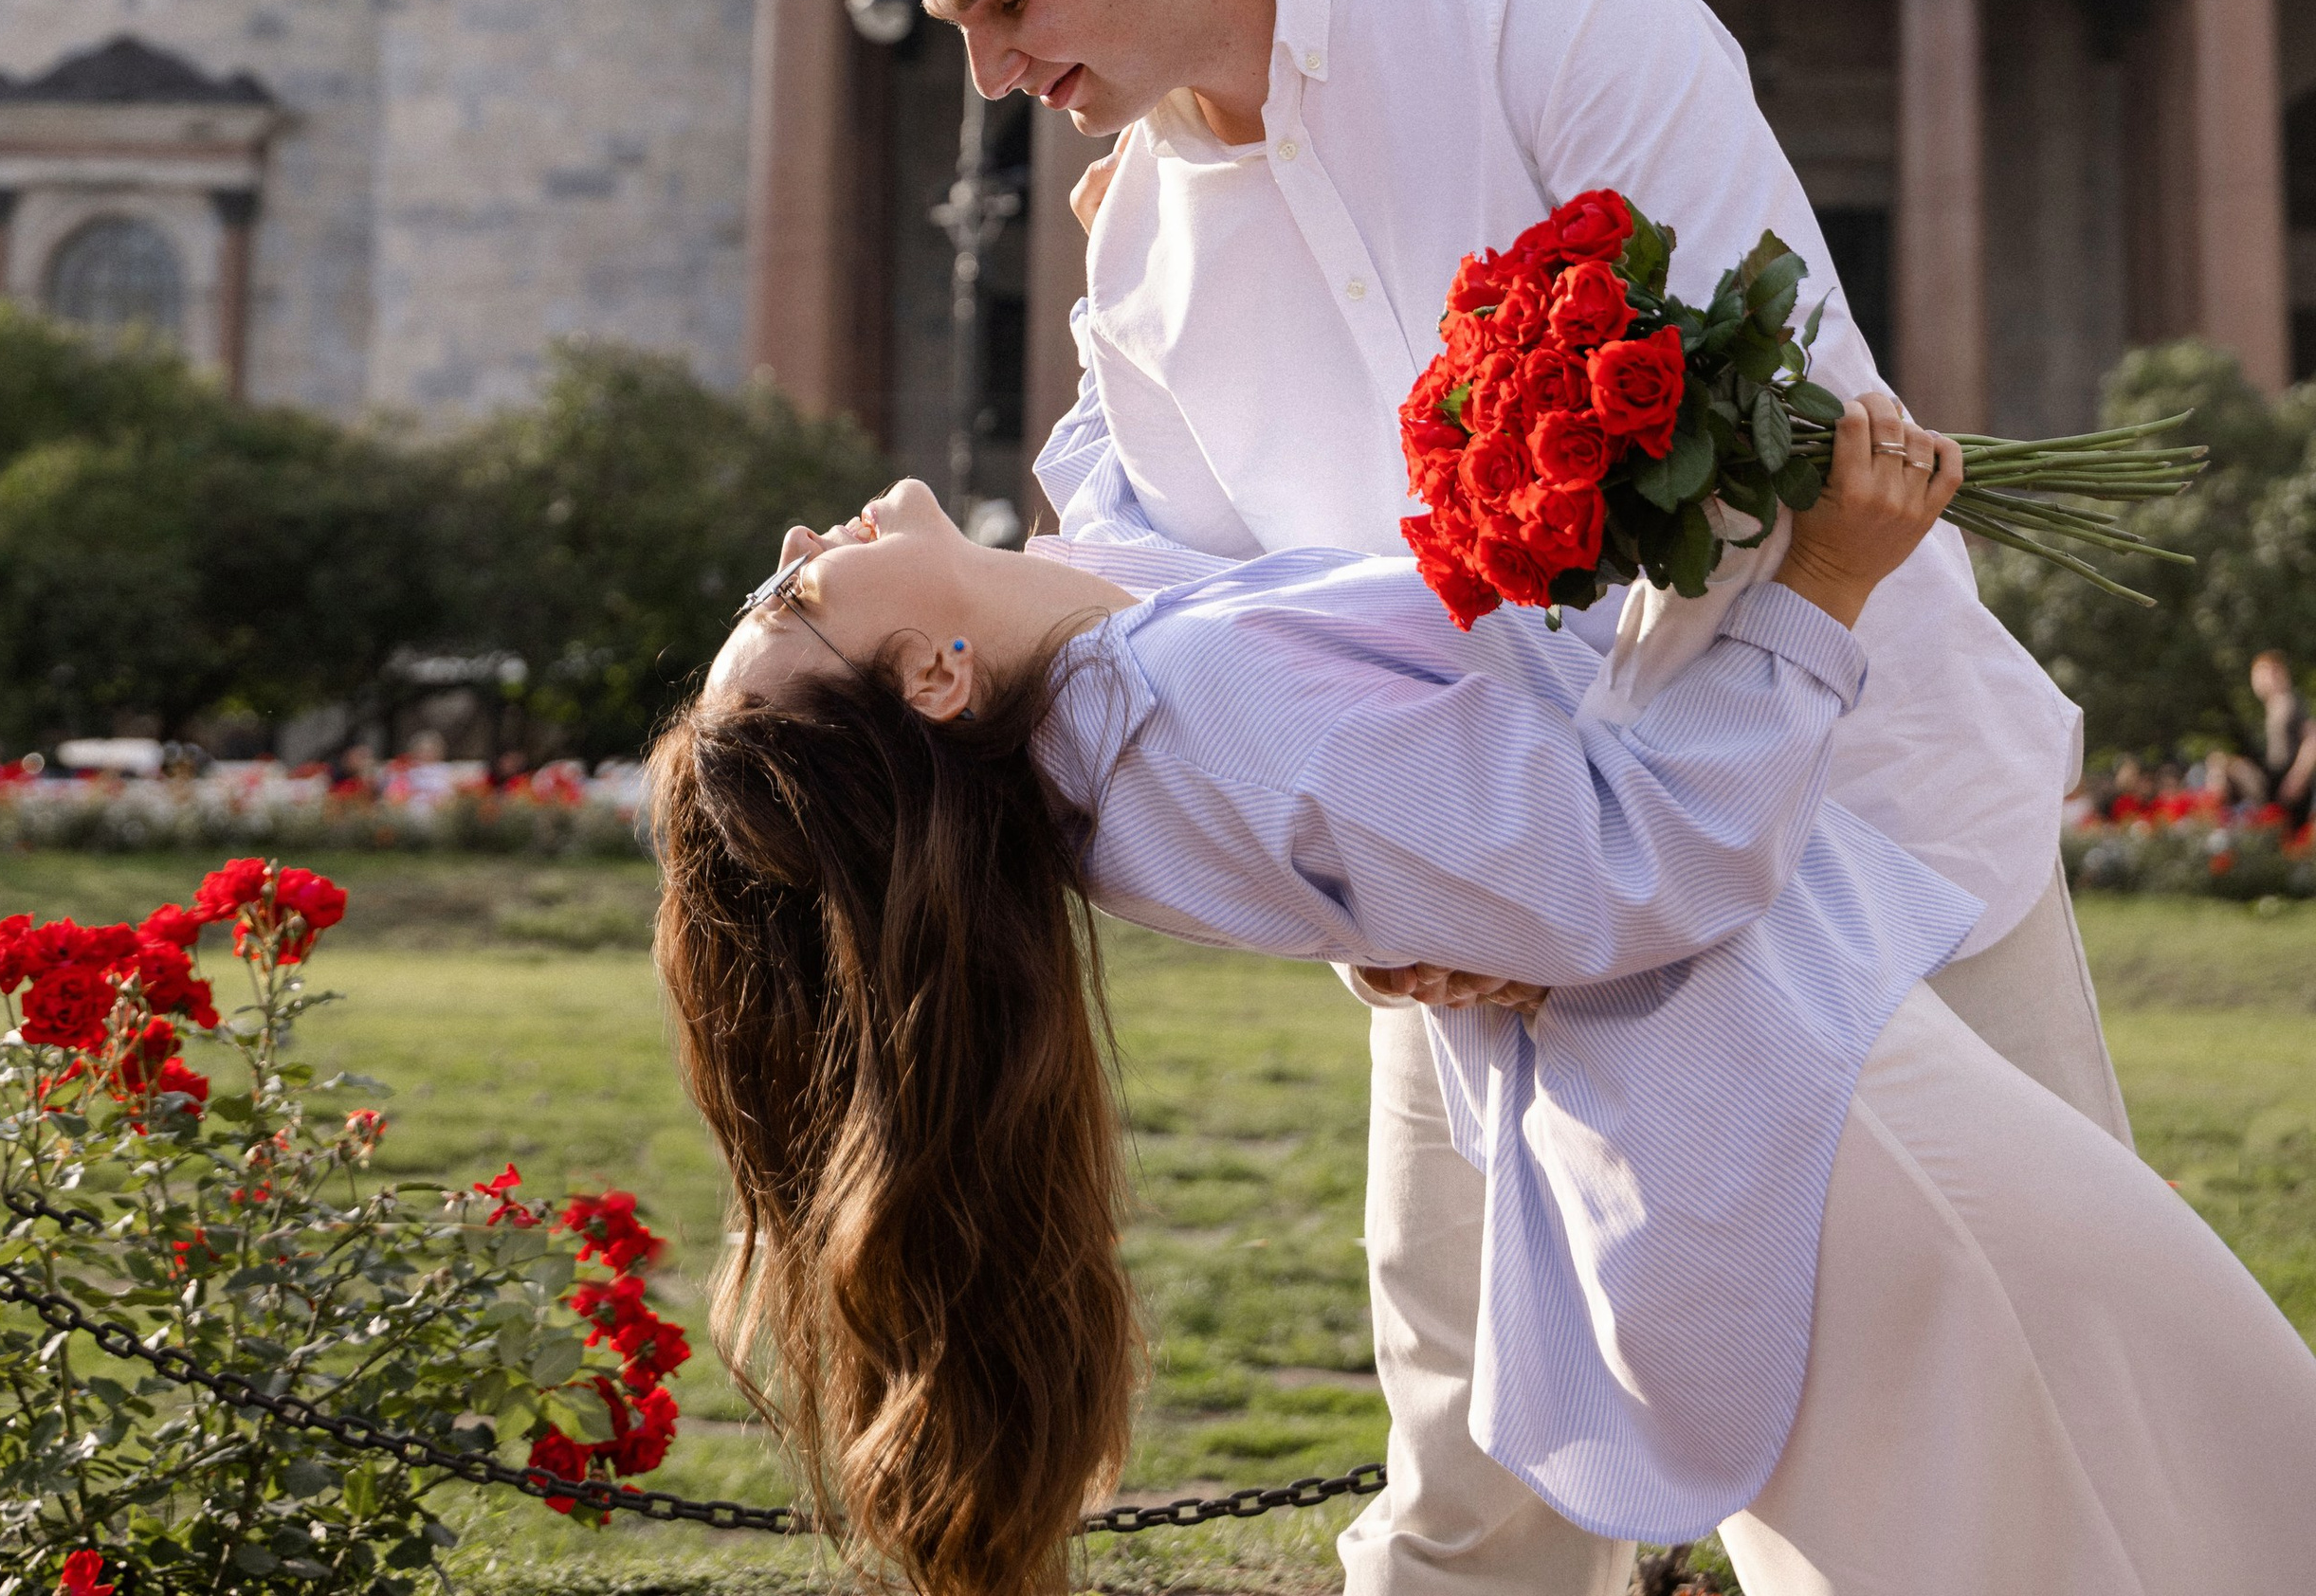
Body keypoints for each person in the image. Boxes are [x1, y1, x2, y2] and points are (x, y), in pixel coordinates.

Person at [867, 0, 2126, 1596]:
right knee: (1469, 1513)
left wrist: (1490, 855)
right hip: (1486, 967)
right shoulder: (1130, 257)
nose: (981, 70)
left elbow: (1767, 440)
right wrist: (1388, 887)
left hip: (1871, 842)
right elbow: (1188, 629)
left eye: (1001, 2)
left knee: (2027, 1445)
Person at [656, 464, 2316, 1596]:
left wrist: (1144, 237)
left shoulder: (1097, 716)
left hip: (1781, 1109)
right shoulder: (1187, 716)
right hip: (1829, 1124)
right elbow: (1638, 857)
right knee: (2198, 1490)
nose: (810, 535)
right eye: (801, 594)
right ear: (936, 675)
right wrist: (1824, 580)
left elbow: (1133, 529)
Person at [2251, 646, 2316, 830]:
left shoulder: (2289, 702)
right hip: (2276, 777)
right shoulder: (2272, 707)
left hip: (2289, 777)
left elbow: (2312, 739)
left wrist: (2298, 777)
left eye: (2271, 673)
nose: (2265, 679)